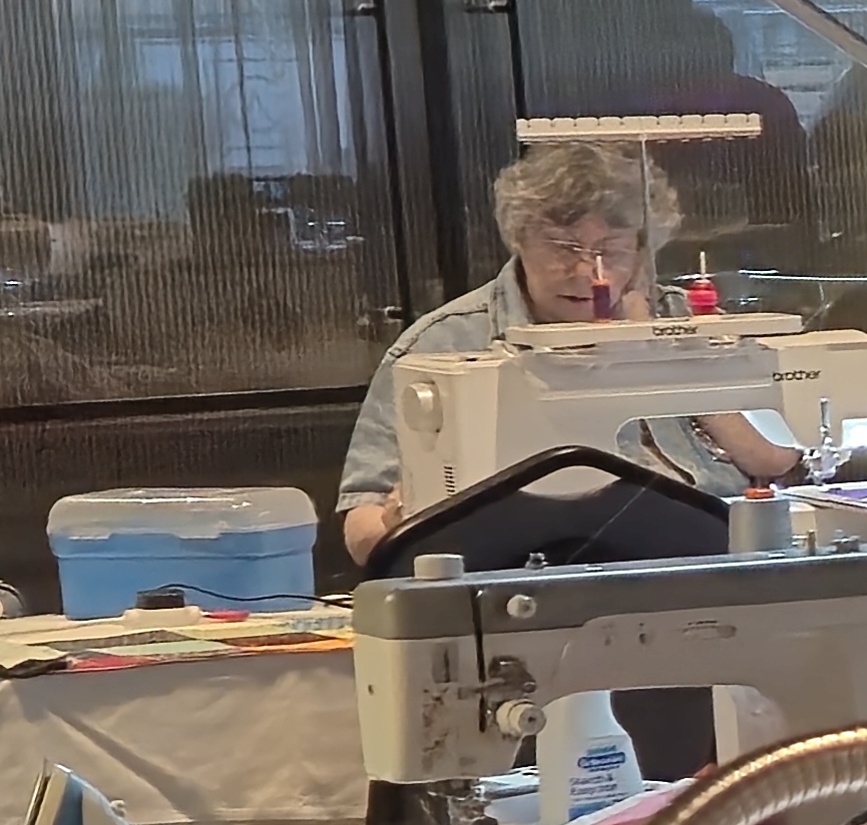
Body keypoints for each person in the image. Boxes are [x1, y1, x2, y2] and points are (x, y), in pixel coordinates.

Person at [332, 136, 803, 534]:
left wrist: (664, 358)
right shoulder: (446, 344)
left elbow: (775, 457)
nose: (588, 273)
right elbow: (363, 527)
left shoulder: (685, 322)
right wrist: (417, 504)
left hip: (709, 554)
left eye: (611, 251)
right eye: (563, 249)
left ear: (644, 254)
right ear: (519, 239)